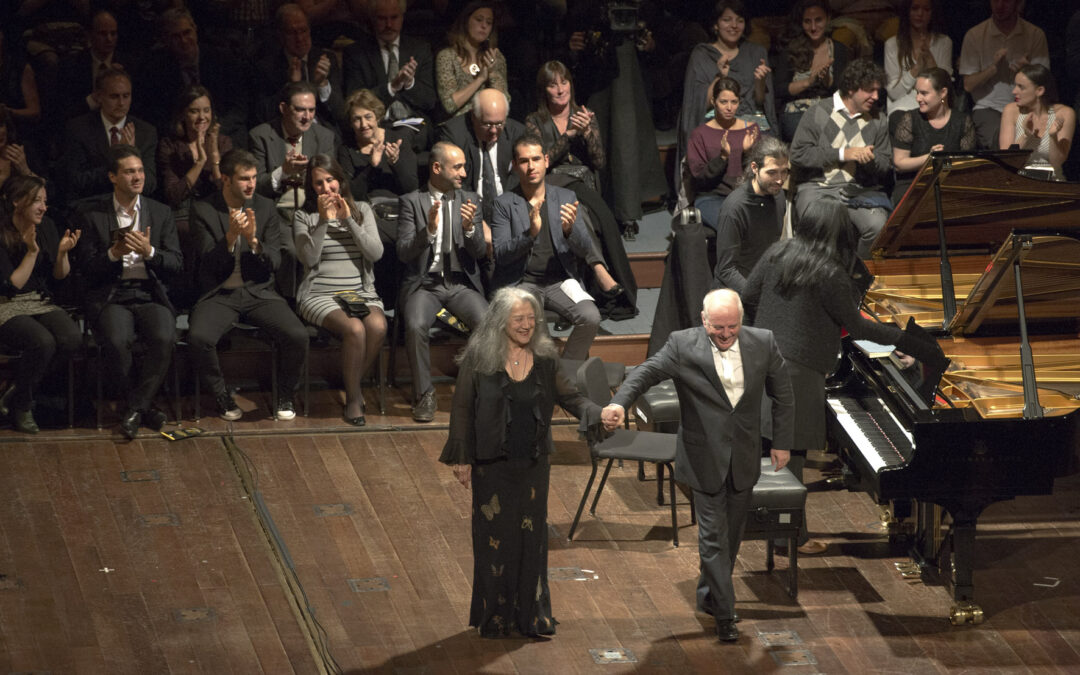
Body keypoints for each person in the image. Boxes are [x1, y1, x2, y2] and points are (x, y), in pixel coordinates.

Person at [741, 199, 946, 557]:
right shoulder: (830, 272)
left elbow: (748, 296)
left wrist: (772, 328)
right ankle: (791, 537)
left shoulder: (778, 252)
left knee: (767, 445)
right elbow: (858, 326)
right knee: (793, 454)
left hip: (762, 357)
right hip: (799, 371)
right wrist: (905, 339)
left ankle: (769, 525)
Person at [601, 289, 795, 643]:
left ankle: (709, 596)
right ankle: (726, 614)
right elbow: (643, 373)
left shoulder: (763, 342)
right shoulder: (681, 345)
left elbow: (783, 394)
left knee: (731, 538)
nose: (725, 334)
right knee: (711, 539)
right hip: (701, 456)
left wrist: (781, 442)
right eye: (718, 327)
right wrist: (620, 403)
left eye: (732, 327)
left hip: (744, 456)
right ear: (704, 320)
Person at [440, 285, 602, 638]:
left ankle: (532, 615)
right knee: (495, 539)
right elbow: (463, 409)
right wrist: (462, 458)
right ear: (500, 322)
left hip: (532, 465)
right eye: (519, 319)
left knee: (531, 540)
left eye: (531, 319)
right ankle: (497, 616)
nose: (527, 325)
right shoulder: (479, 358)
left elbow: (571, 398)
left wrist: (598, 413)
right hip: (490, 465)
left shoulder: (545, 359)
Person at [187, 149, 309, 421]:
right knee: (199, 338)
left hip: (259, 291)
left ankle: (285, 394)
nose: (251, 184)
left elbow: (276, 261)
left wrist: (254, 243)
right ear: (226, 180)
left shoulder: (265, 208)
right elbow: (208, 264)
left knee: (298, 335)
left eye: (254, 177)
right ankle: (221, 395)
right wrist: (230, 238)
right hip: (220, 293)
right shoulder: (203, 209)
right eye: (244, 178)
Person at [73, 145, 181, 439]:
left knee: (163, 336)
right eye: (129, 171)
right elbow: (85, 268)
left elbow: (176, 262)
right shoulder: (92, 215)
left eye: (140, 171)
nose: (137, 177)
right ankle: (144, 408)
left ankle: (134, 408)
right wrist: (112, 253)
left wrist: (150, 252)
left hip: (149, 293)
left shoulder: (159, 212)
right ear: (112, 176)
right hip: (113, 295)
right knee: (116, 340)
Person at [492, 135, 625, 362]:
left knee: (590, 317)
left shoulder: (565, 197)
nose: (531, 166)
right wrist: (529, 235)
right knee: (538, 333)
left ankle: (567, 374)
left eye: (536, 159)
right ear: (515, 166)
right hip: (523, 282)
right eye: (524, 161)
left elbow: (585, 249)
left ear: (546, 161)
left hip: (560, 281)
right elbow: (501, 255)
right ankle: (547, 379)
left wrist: (569, 230)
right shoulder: (504, 203)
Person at [396, 141, 488, 423]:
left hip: (459, 285)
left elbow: (481, 253)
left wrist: (471, 229)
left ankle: (478, 391)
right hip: (425, 285)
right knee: (415, 324)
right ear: (437, 168)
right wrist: (429, 231)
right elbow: (403, 251)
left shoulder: (470, 199)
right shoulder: (412, 201)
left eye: (464, 166)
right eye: (457, 166)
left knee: (489, 322)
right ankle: (424, 394)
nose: (463, 172)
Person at [294, 154, 385, 426]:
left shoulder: (362, 210)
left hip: (359, 291)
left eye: (330, 180)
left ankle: (351, 382)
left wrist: (349, 221)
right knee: (355, 329)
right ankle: (354, 397)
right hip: (320, 293)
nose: (326, 188)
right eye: (318, 183)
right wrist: (323, 222)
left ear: (340, 181)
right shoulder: (304, 216)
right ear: (312, 188)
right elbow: (308, 258)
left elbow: (376, 252)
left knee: (378, 327)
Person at [0, 176, 81, 434]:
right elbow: (11, 286)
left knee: (71, 338)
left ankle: (15, 391)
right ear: (16, 202)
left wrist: (62, 254)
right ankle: (23, 405)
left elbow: (59, 276)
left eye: (45, 201)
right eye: (37, 201)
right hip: (6, 303)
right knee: (42, 342)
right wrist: (31, 252)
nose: (43, 207)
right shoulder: (2, 231)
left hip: (38, 301)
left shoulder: (47, 227)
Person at [790, 59, 891, 259]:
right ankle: (818, 281)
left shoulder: (879, 120)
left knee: (878, 227)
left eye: (878, 91)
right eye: (870, 90)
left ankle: (857, 278)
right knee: (819, 225)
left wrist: (869, 160)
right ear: (852, 88)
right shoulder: (818, 112)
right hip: (817, 186)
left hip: (857, 190)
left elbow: (886, 163)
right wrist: (844, 153)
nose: (876, 96)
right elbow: (798, 154)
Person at [679, 1, 775, 187]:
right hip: (716, 117)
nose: (734, 25)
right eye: (727, 20)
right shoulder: (702, 54)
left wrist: (760, 83)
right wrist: (719, 76)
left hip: (750, 117)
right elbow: (699, 103)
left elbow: (761, 102)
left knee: (766, 145)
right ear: (716, 24)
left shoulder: (756, 52)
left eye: (739, 20)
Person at [343, 0, 438, 146]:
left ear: (402, 17)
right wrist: (392, 87)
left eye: (394, 18)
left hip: (415, 124)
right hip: (377, 124)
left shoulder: (420, 49)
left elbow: (430, 101)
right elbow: (354, 101)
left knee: (402, 138)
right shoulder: (356, 53)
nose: (389, 25)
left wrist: (409, 83)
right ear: (373, 19)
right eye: (382, 18)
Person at [959, 0, 1049, 149]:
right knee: (1002, 139)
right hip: (988, 107)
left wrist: (1027, 70)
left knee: (1038, 137)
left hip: (1027, 106)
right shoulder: (975, 35)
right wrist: (992, 69)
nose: (1000, 5)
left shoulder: (1034, 34)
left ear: (1018, 3)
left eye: (1006, 1)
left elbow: (1045, 82)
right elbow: (968, 85)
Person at [62, 66, 159, 202]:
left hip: (132, 206)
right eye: (114, 96)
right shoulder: (79, 129)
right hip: (93, 205)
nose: (121, 103)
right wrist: (118, 160)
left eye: (126, 96)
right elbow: (76, 181)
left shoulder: (146, 132)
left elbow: (149, 185)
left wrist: (131, 157)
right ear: (99, 97)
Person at [437, 88, 525, 226]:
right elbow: (451, 181)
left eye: (499, 124)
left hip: (508, 209)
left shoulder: (517, 132)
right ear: (473, 116)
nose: (494, 131)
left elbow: (520, 175)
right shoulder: (454, 134)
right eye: (487, 124)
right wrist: (477, 220)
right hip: (468, 211)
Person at [712, 135, 789, 293]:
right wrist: (756, 294)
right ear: (754, 168)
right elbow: (726, 270)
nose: (780, 180)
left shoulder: (779, 196)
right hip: (737, 291)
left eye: (784, 172)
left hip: (763, 281)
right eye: (772, 172)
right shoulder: (734, 208)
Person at [687, 77, 761, 232]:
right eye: (723, 102)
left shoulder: (750, 130)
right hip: (712, 197)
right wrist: (722, 158)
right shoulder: (700, 134)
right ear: (714, 102)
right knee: (733, 226)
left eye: (734, 102)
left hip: (744, 195)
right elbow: (699, 177)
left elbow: (759, 173)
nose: (729, 108)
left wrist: (748, 153)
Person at [891, 68, 975, 202]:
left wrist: (946, 163)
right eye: (917, 93)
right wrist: (930, 158)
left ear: (943, 93)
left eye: (924, 93)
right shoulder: (909, 119)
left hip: (948, 184)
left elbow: (966, 164)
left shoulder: (962, 121)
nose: (918, 98)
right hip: (913, 183)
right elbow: (899, 164)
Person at [252, 4, 345, 127]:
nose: (300, 38)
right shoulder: (266, 67)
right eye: (292, 32)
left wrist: (322, 84)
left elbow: (340, 113)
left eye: (303, 30)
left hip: (324, 133)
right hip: (286, 133)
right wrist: (290, 86)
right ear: (280, 36)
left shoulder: (326, 59)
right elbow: (262, 115)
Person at [773, 0, 850, 142]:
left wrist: (827, 79)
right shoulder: (791, 50)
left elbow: (844, 91)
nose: (813, 27)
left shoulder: (839, 49)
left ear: (828, 19)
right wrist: (808, 82)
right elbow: (779, 89)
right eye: (807, 22)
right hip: (797, 111)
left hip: (830, 110)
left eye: (818, 20)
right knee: (809, 136)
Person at [524, 60, 603, 191]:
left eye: (564, 83)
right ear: (544, 91)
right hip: (553, 184)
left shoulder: (585, 115)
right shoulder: (534, 121)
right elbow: (540, 164)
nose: (560, 90)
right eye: (553, 86)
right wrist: (567, 136)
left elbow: (599, 163)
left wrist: (588, 133)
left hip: (584, 183)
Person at [336, 88, 418, 202]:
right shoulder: (346, 150)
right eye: (357, 119)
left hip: (398, 207)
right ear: (351, 122)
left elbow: (411, 188)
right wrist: (371, 165)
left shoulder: (397, 140)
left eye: (368, 117)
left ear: (377, 117)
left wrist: (396, 163)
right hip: (366, 210)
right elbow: (352, 195)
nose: (364, 124)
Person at [999, 64, 1076, 181]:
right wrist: (1026, 136)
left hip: (1051, 181)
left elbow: (1057, 163)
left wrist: (1053, 136)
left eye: (1021, 87)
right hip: (1018, 179)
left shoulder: (1064, 113)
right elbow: (1007, 161)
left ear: (1039, 91)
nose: (1014, 91)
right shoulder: (1011, 110)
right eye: (1015, 85)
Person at [435, 1, 507, 120]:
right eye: (479, 20)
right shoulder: (447, 56)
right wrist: (480, 79)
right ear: (465, 21)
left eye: (489, 22)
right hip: (458, 123)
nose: (484, 26)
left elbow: (504, 101)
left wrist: (492, 73)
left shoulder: (496, 56)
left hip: (489, 121)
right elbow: (449, 105)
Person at [883, 0, 952, 118]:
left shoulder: (944, 42)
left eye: (926, 9)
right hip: (901, 108)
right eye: (915, 8)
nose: (920, 14)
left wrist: (930, 60)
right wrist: (916, 69)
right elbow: (894, 93)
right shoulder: (892, 44)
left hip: (934, 107)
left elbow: (945, 89)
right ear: (907, 11)